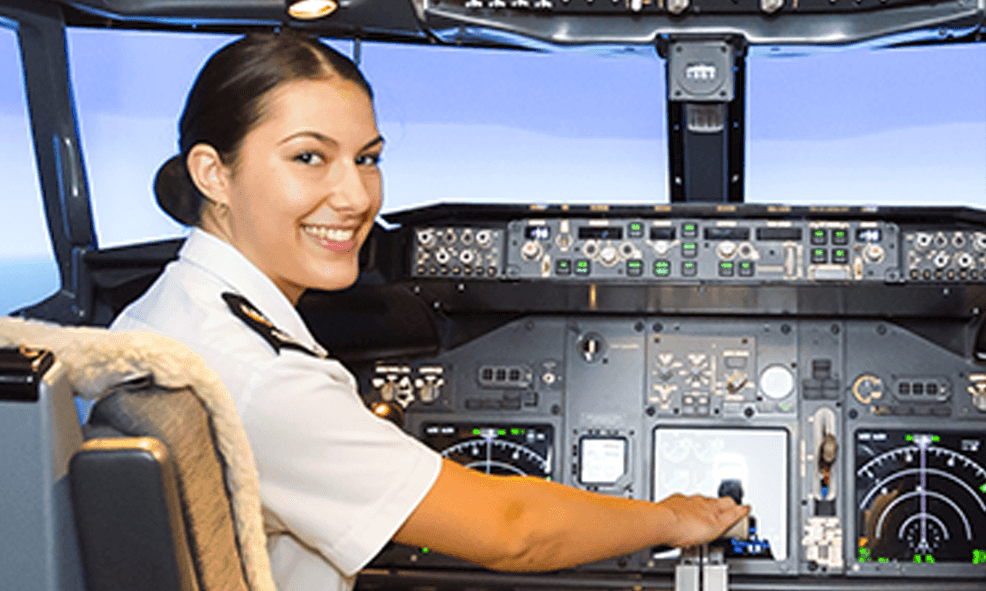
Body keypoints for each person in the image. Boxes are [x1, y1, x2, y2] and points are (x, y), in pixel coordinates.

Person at [110, 31, 748, 591]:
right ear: (212, 174)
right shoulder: (260, 377)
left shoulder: (166, 313)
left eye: (367, 159)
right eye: (309, 157)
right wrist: (670, 518)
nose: (356, 196)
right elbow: (511, 530)